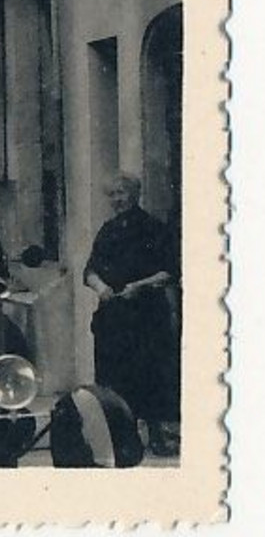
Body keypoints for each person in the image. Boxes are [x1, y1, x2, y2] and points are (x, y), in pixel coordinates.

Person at [83, 172, 180, 456]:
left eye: (121, 193)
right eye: (112, 195)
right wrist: (99, 287)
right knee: (113, 378)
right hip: (113, 318)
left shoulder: (154, 229)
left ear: (135, 194)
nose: (117, 200)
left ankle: (156, 436)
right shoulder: (107, 231)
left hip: (146, 317)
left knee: (149, 375)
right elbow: (89, 270)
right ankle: (122, 439)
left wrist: (139, 286)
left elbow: (169, 270)